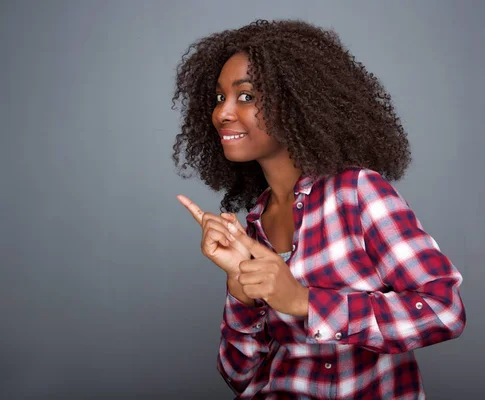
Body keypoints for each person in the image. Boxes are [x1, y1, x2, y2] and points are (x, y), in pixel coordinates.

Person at [173, 19, 466, 399]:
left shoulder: (357, 193)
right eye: (218, 98)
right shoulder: (254, 224)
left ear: (293, 102)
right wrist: (240, 291)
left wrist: (305, 302)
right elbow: (238, 376)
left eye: (245, 96)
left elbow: (445, 310)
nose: (222, 113)